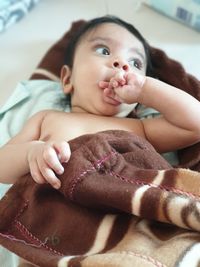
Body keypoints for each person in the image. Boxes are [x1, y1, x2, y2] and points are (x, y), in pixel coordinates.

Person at [1, 15, 200, 191]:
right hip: (51, 219)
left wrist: (145, 89)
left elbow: (195, 124)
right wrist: (32, 153)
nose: (122, 63)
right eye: (104, 50)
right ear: (68, 79)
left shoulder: (141, 129)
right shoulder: (46, 118)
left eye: (135, 64)